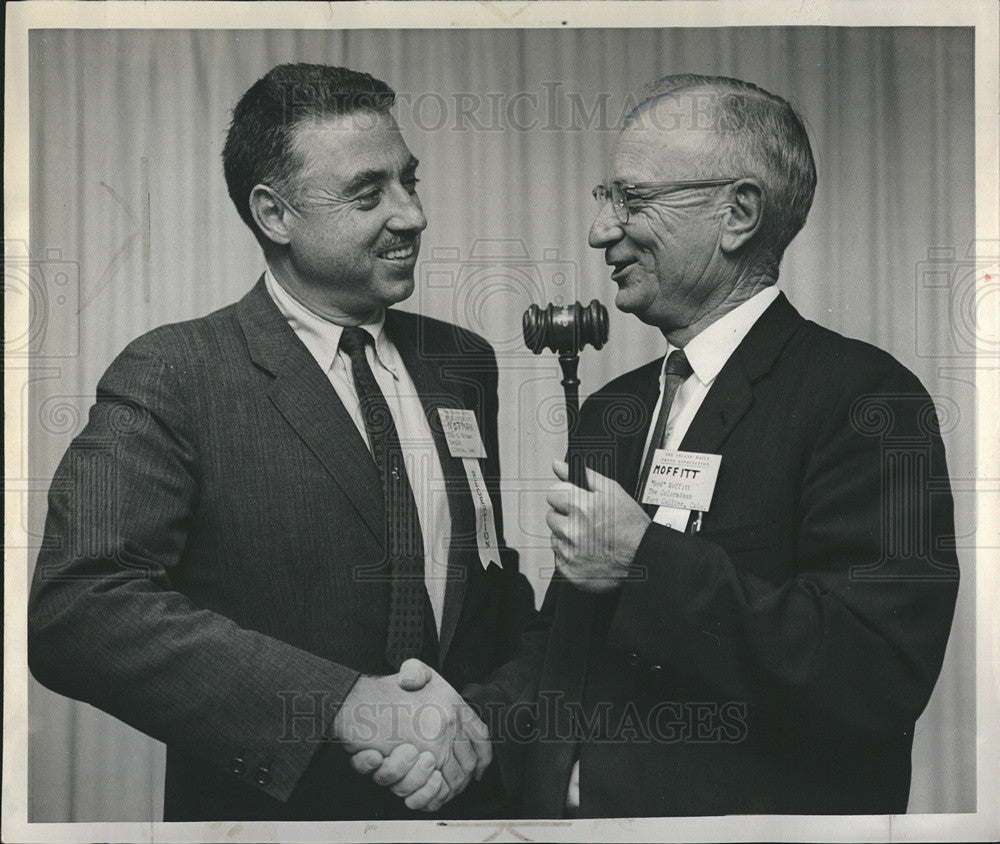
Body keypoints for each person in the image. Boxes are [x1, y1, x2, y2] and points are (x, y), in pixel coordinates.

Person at [360, 74, 960, 817]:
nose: (600, 231)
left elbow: (876, 671)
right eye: (603, 200)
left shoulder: (868, 401)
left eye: (633, 202)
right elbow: (566, 644)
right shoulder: (617, 410)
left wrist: (644, 562)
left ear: (737, 214)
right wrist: (468, 725)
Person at [27, 63, 534, 822]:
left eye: (409, 181)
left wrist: (482, 722)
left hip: (468, 809)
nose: (412, 215)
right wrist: (341, 705)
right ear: (275, 213)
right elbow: (80, 610)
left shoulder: (463, 365)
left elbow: (492, 592)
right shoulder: (174, 372)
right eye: (369, 194)